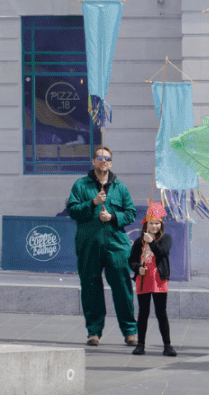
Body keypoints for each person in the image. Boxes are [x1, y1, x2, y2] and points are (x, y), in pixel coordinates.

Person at [66, 145, 138, 347]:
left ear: (111, 163)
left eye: (107, 158)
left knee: (122, 288)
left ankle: (130, 331)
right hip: (90, 244)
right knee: (91, 286)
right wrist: (93, 203)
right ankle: (94, 332)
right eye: (99, 157)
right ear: (93, 161)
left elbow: (131, 213)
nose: (103, 161)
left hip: (116, 244)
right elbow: (72, 211)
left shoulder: (120, 187)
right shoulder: (81, 185)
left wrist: (114, 216)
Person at [128, 201, 175, 356]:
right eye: (152, 223)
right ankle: (140, 344)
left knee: (161, 312)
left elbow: (162, 253)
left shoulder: (165, 238)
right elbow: (132, 260)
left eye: (157, 223)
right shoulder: (138, 242)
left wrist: (152, 242)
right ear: (145, 224)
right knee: (143, 312)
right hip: (144, 280)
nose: (154, 226)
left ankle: (167, 345)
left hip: (159, 280)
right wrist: (137, 268)